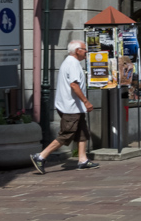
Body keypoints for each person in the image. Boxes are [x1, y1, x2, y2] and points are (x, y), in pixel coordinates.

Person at [32, 39, 98, 172]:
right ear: (77, 51)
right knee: (66, 134)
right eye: (84, 49)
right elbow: (74, 85)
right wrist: (86, 101)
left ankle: (82, 159)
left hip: (74, 107)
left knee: (82, 132)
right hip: (71, 107)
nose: (86, 52)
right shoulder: (72, 64)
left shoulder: (70, 62)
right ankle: (40, 156)